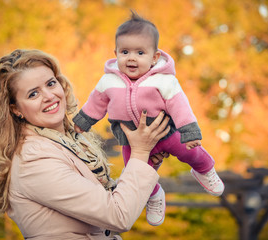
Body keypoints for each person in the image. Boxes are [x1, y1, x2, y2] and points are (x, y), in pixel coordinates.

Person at [0, 49, 171, 239]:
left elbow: (108, 206)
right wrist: (140, 152)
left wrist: (145, 161)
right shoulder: (34, 159)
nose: (48, 96)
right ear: (15, 109)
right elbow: (118, 216)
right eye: (33, 94)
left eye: (51, 83)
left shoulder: (68, 142)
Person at [73, 11, 225, 226]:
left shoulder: (164, 81)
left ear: (154, 57)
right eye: (125, 52)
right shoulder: (108, 81)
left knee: (192, 152)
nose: (131, 58)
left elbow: (180, 106)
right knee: (134, 172)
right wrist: (82, 122)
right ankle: (154, 195)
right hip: (130, 140)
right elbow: (95, 104)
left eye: (140, 52)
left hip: (166, 133)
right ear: (115, 53)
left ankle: (205, 169)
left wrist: (189, 132)